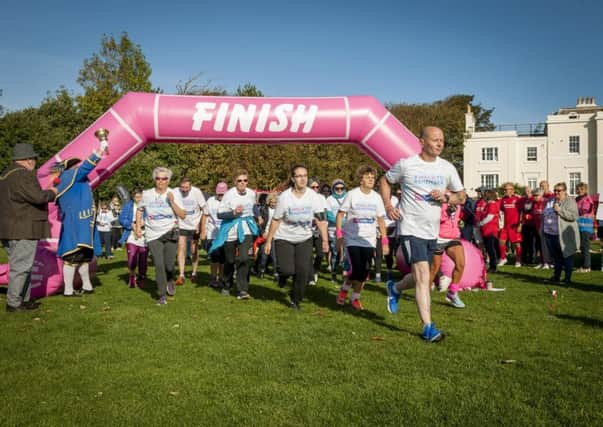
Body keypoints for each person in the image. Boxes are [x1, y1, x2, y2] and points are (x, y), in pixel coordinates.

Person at [381, 126, 465, 342]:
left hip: (432, 231)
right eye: (435, 139)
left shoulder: (447, 168)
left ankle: (395, 287)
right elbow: (385, 181)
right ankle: (428, 328)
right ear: (422, 141)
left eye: (442, 140)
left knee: (423, 277)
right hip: (410, 228)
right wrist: (389, 207)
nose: (440, 143)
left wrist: (447, 198)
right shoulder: (407, 164)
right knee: (423, 276)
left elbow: (462, 196)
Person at [0, 143, 57, 312]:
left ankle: (24, 299)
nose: (35, 161)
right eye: (33, 158)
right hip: (24, 228)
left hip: (8, 229)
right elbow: (38, 197)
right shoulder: (24, 175)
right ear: (27, 160)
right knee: (21, 267)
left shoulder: (5, 175)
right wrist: (52, 192)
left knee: (21, 265)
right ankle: (14, 303)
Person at [264, 165, 328, 309]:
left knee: (302, 271)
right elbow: (276, 220)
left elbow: (320, 219)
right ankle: (283, 276)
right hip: (284, 237)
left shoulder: (314, 197)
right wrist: (269, 241)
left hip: (304, 238)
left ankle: (295, 300)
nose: (302, 179)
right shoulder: (285, 197)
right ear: (293, 179)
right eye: (299, 176)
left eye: (305, 175)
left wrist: (324, 240)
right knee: (287, 270)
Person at [52, 142, 108, 297]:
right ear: (69, 168)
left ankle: (87, 286)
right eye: (75, 165)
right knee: (71, 257)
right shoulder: (69, 176)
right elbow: (87, 167)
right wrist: (100, 150)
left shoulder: (74, 180)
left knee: (84, 258)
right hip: (76, 224)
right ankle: (68, 290)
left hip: (83, 222)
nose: (78, 166)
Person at [335, 165, 388, 310]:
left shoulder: (376, 198)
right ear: (361, 180)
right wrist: (339, 234)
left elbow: (381, 220)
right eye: (367, 177)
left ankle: (354, 297)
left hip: (369, 240)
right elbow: (340, 214)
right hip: (352, 238)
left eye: (372, 178)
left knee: (364, 272)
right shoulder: (352, 194)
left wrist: (384, 241)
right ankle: (345, 290)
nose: (371, 180)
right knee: (356, 269)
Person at [136, 167, 186, 305]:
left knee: (169, 265)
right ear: (154, 179)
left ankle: (170, 279)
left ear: (168, 180)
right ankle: (162, 295)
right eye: (158, 178)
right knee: (158, 264)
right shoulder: (147, 194)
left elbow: (182, 214)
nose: (161, 181)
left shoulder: (174, 193)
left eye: (164, 178)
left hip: (170, 232)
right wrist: (138, 227)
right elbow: (140, 210)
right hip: (153, 234)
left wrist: (172, 202)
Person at [210, 169, 258, 300]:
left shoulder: (251, 193)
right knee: (230, 260)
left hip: (246, 228)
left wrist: (258, 217)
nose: (243, 183)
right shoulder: (228, 195)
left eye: (245, 180)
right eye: (239, 181)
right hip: (231, 228)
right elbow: (220, 214)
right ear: (235, 182)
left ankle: (243, 289)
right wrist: (234, 213)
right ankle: (226, 284)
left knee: (244, 258)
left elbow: (254, 207)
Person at [543, 182, 580, 284]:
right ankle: (556, 276)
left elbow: (574, 216)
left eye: (559, 190)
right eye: (555, 190)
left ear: (564, 191)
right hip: (550, 233)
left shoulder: (570, 201)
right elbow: (545, 214)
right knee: (556, 257)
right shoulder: (551, 201)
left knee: (567, 256)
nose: (556, 192)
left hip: (563, 235)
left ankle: (567, 278)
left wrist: (560, 210)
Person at [175, 177, 206, 285]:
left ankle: (194, 272)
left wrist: (202, 227)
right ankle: (181, 274)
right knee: (181, 248)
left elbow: (204, 209)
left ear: (190, 186)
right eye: (182, 187)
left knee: (194, 250)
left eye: (187, 187)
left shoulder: (197, 192)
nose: (185, 190)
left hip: (194, 224)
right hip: (181, 224)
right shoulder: (175, 192)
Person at [118, 188, 148, 288]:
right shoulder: (128, 205)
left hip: (144, 234)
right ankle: (132, 276)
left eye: (140, 197)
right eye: (136, 197)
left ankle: (142, 277)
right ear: (133, 197)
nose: (138, 199)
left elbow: (152, 217)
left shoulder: (147, 206)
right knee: (132, 258)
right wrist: (131, 225)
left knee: (143, 259)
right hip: (131, 234)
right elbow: (121, 219)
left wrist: (144, 222)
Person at [201, 182, 228, 288]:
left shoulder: (229, 202)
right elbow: (205, 216)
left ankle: (221, 278)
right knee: (214, 257)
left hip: (225, 234)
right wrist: (203, 231)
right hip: (212, 233)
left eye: (223, 194)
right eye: (219, 193)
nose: (221, 195)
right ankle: (213, 278)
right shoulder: (210, 201)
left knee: (223, 258)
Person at [326, 179, 347, 282]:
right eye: (337, 188)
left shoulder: (348, 197)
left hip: (347, 230)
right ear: (333, 189)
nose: (339, 190)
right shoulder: (329, 199)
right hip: (333, 230)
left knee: (347, 253)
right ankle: (333, 273)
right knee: (335, 252)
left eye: (341, 188)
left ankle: (345, 274)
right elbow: (329, 216)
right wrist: (341, 222)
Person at [498, 183, 524, 267]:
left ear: (512, 190)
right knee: (501, 241)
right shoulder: (503, 200)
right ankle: (503, 258)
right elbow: (501, 211)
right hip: (506, 226)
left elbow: (521, 212)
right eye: (505, 189)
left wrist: (520, 224)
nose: (505, 191)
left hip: (515, 225)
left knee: (517, 243)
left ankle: (518, 260)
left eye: (507, 189)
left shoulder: (518, 199)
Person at [479, 189, 501, 273]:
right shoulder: (488, 204)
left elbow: (490, 217)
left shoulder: (492, 204)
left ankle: (493, 267)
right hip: (486, 230)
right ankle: (492, 266)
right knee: (489, 249)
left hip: (490, 230)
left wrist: (481, 223)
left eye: (485, 195)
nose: (483, 196)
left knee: (491, 250)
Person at [575, 182, 595, 273]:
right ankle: (583, 265)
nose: (579, 191)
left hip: (586, 226)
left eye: (582, 189)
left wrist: (577, 215)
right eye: (578, 189)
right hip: (580, 226)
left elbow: (585, 211)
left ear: (585, 190)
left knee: (585, 247)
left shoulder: (587, 199)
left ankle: (587, 267)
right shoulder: (577, 199)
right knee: (582, 247)